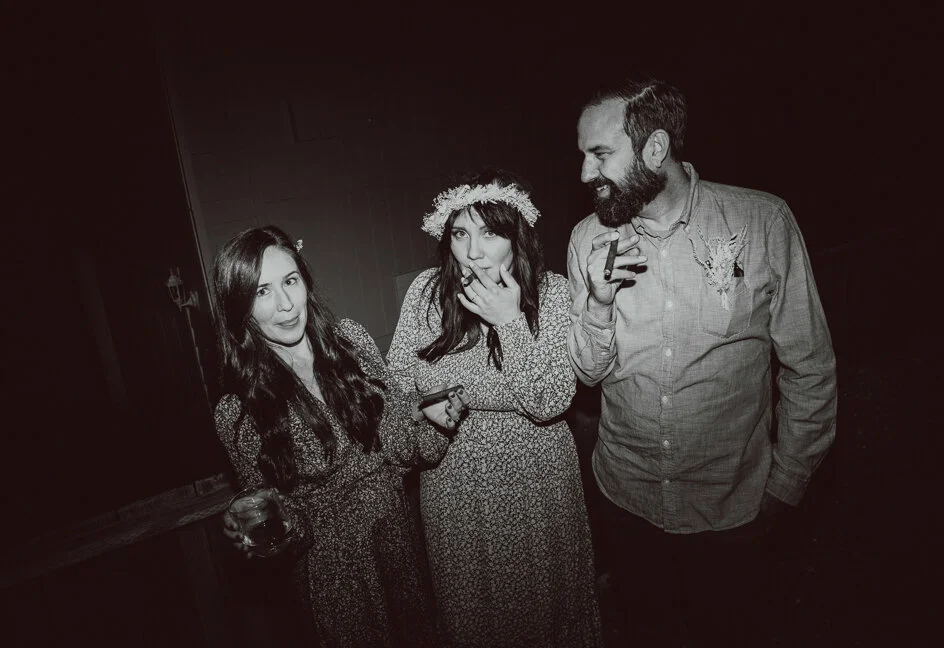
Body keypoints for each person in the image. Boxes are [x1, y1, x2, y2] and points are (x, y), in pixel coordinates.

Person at [568, 79, 838, 647]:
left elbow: (810, 368)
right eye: (584, 156)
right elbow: (588, 374)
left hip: (733, 510)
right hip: (628, 502)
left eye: (600, 154)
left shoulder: (762, 222)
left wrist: (784, 487)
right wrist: (597, 302)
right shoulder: (587, 239)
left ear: (655, 148)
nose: (586, 173)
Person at [211, 225, 468, 647]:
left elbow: (399, 446)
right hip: (334, 573)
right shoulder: (237, 411)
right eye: (262, 291)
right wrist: (265, 532)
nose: (285, 304)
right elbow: (280, 518)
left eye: (290, 281)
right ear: (241, 306)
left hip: (397, 540)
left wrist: (435, 423)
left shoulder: (351, 342)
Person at [386, 169, 602, 647]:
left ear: (516, 238)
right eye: (460, 234)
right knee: (473, 613)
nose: (473, 251)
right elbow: (395, 385)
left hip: (535, 485)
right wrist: (424, 407)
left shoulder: (551, 292)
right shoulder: (426, 293)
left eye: (489, 234)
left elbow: (550, 400)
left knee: (544, 612)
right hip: (453, 489)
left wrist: (509, 323)